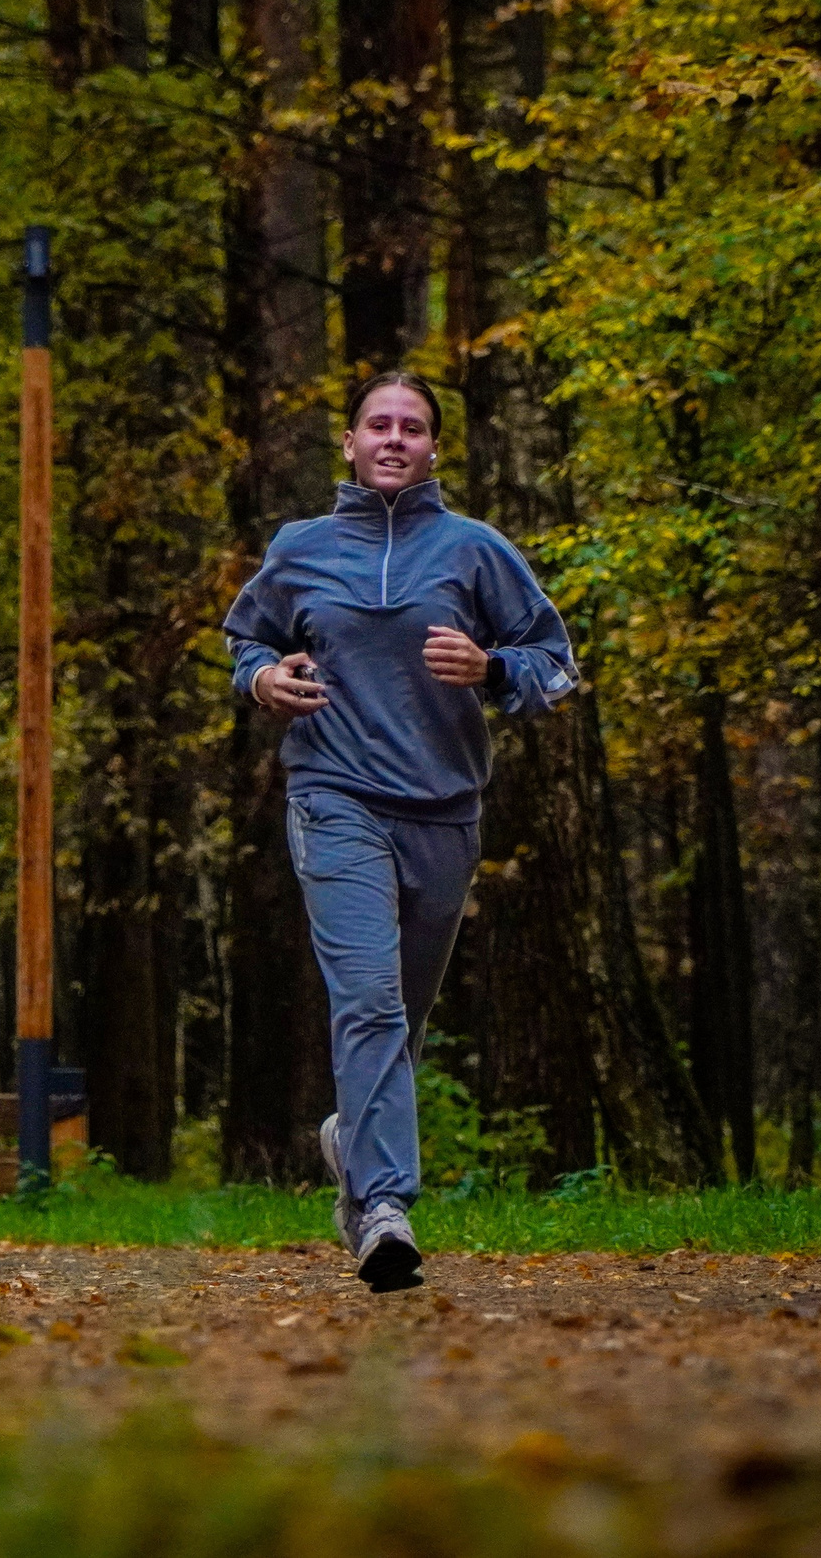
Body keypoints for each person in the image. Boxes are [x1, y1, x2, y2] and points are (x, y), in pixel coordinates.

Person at [223, 370, 578, 1294]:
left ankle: (352, 1136)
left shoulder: (475, 550)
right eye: (376, 425)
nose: (392, 439)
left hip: (443, 810)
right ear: (347, 443)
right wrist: (263, 680)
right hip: (333, 795)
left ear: (432, 448)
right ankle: (384, 1207)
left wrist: (493, 664)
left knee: (402, 1018)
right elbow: (247, 640)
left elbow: (557, 662)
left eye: (411, 427)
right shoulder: (300, 547)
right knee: (370, 1000)